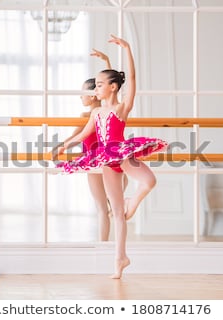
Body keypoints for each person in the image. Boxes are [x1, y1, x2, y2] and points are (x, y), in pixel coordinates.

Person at [55, 35, 168, 279]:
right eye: (95, 85)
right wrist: (63, 145)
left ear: (113, 87)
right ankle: (120, 258)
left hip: (123, 153)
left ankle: (133, 201)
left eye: (99, 85)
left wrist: (127, 48)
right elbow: (85, 133)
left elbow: (133, 79)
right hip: (105, 161)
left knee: (149, 181)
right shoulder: (96, 112)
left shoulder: (121, 108)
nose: (96, 89)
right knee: (116, 212)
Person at [55, 49, 127, 241]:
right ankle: (104, 242)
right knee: (105, 207)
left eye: (85, 93)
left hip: (100, 160)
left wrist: (60, 147)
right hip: (100, 160)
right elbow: (113, 85)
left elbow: (75, 136)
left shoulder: (92, 114)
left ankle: (103, 243)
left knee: (102, 208)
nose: (82, 97)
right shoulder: (100, 112)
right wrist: (107, 61)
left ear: (95, 94)